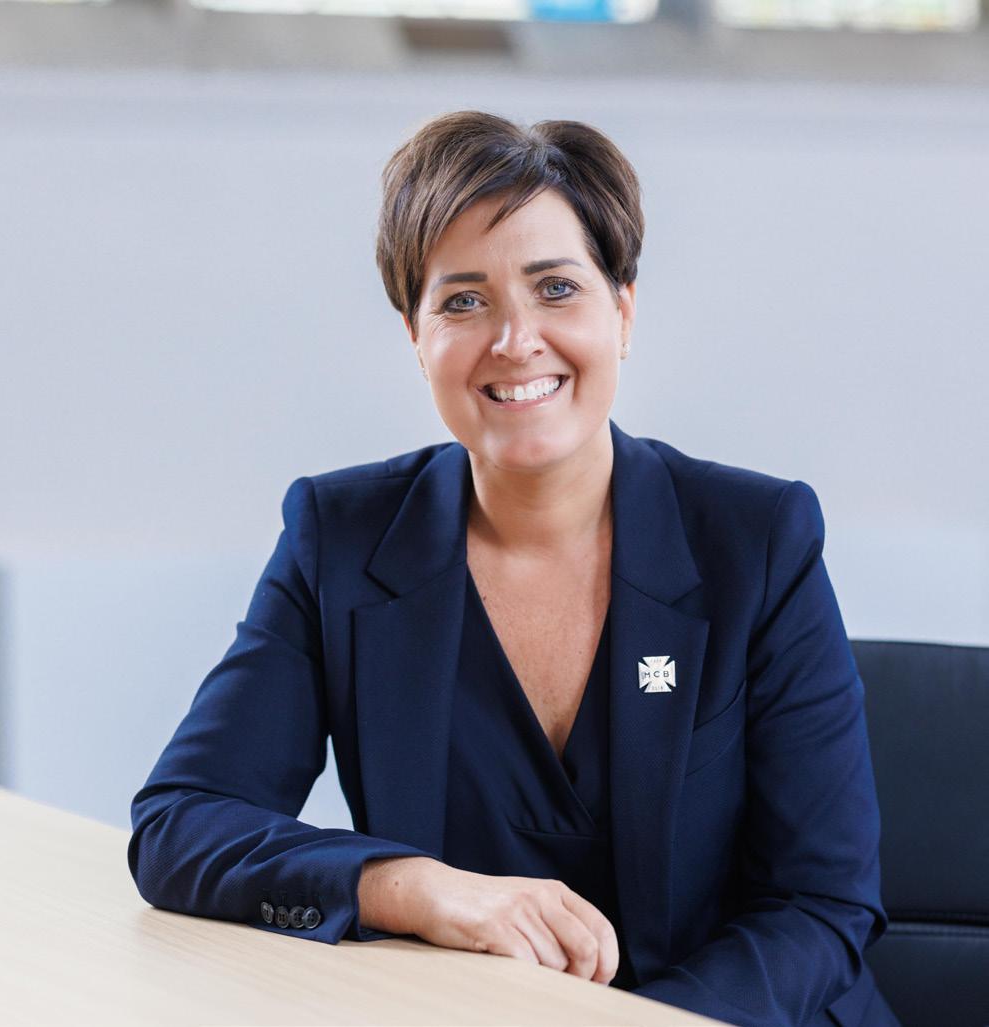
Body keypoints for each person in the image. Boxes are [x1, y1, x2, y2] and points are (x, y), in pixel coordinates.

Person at [128, 110, 901, 1027]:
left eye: (556, 288)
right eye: (463, 302)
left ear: (623, 312)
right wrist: (411, 885)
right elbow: (181, 822)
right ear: (415, 337)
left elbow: (820, 906)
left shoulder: (757, 541)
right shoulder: (341, 541)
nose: (514, 339)